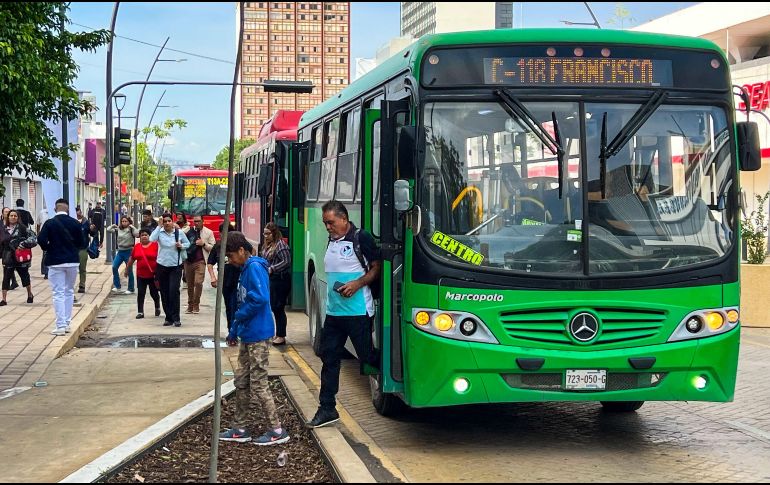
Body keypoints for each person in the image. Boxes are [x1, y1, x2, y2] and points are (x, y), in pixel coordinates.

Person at [307, 201, 381, 429]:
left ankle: (395, 375)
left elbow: (377, 267)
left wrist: (357, 284)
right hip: (334, 313)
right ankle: (327, 408)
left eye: (331, 222)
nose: (327, 227)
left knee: (367, 357)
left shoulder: (361, 238)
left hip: (358, 312)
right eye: (325, 223)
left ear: (344, 219)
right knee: (329, 358)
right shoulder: (332, 239)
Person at [219, 231, 289, 446]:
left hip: (258, 334)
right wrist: (234, 330)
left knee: (258, 383)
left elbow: (260, 299)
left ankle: (277, 430)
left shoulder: (254, 268)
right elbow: (243, 301)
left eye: (231, 256)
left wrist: (239, 317)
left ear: (242, 251)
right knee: (242, 381)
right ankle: (240, 427)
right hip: (247, 333)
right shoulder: (244, 269)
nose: (230, 260)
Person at [38, 199, 87, 336]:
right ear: (68, 209)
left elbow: (41, 240)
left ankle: (60, 325)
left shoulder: (50, 223)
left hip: (55, 261)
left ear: (55, 209)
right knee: (69, 291)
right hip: (72, 261)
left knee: (58, 293)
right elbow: (82, 242)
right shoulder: (75, 223)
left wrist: (49, 248)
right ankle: (67, 323)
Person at [208, 222, 249, 332]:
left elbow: (251, 252)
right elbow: (210, 262)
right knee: (228, 307)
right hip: (224, 282)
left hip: (238, 281)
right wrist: (213, 277)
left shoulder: (239, 243)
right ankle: (230, 329)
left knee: (235, 305)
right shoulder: (218, 246)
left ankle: (234, 330)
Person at [150, 213, 190, 327]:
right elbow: (152, 239)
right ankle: (168, 318)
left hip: (175, 266)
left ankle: (176, 318)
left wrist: (181, 246)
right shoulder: (160, 232)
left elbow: (187, 243)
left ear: (172, 222)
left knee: (174, 291)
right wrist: (159, 226)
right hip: (162, 265)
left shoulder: (179, 232)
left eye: (169, 221)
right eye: (165, 221)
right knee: (164, 292)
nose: (167, 223)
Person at [261, 222, 291, 346]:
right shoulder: (267, 245)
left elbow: (286, 261)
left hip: (281, 280)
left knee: (278, 307)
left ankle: (281, 335)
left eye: (268, 234)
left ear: (274, 233)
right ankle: (278, 333)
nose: (266, 236)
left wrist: (272, 268)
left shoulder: (281, 245)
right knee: (274, 307)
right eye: (264, 234)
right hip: (272, 280)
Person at [0, 210, 37, 306]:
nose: (13, 217)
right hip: (8, 256)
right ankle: (3, 299)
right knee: (6, 278)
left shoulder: (23, 228)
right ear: (8, 217)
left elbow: (34, 237)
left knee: (25, 276)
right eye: (11, 216)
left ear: (18, 217)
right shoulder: (3, 229)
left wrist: (24, 244)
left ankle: (30, 294)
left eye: (15, 216)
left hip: (20, 257)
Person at [124, 228, 161, 319]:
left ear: (149, 236)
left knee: (154, 293)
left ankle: (157, 306)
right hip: (141, 275)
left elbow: (161, 258)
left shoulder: (155, 245)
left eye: (146, 235)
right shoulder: (137, 247)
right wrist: (127, 269)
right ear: (140, 237)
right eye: (142, 235)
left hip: (153, 275)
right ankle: (140, 311)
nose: (144, 237)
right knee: (141, 293)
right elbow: (132, 259)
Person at [184, 215, 215, 314]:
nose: (196, 223)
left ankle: (196, 304)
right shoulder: (188, 230)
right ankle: (190, 305)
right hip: (188, 261)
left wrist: (204, 244)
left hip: (200, 261)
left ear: (203, 221)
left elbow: (213, 248)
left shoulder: (208, 232)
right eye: (195, 221)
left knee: (198, 283)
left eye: (198, 221)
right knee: (190, 284)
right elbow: (180, 238)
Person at [107, 216, 138, 295]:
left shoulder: (131, 229)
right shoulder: (118, 229)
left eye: (125, 221)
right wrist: (113, 225)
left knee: (129, 270)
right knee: (114, 266)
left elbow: (137, 234)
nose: (124, 223)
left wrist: (132, 227)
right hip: (120, 251)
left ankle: (131, 288)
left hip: (129, 251)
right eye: (122, 221)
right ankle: (117, 286)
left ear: (129, 222)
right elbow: (108, 230)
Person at [76, 207, 97, 293]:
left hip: (83, 248)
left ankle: (82, 285)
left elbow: (92, 234)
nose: (78, 214)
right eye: (76, 213)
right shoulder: (71, 222)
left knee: (82, 268)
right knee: (71, 269)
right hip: (72, 249)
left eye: (79, 213)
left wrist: (92, 229)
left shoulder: (86, 222)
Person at [2, 207, 19, 290]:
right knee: (7, 265)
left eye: (8, 212)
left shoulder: (14, 224)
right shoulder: (1, 223)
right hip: (2, 247)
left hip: (11, 248)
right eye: (6, 212)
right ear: (2, 213)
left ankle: (9, 283)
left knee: (7, 265)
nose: (7, 213)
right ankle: (12, 282)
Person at [36, 206, 50, 279]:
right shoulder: (42, 212)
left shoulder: (56, 213)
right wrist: (38, 234)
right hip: (45, 236)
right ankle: (46, 272)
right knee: (45, 254)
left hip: (55, 235)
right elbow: (38, 224)